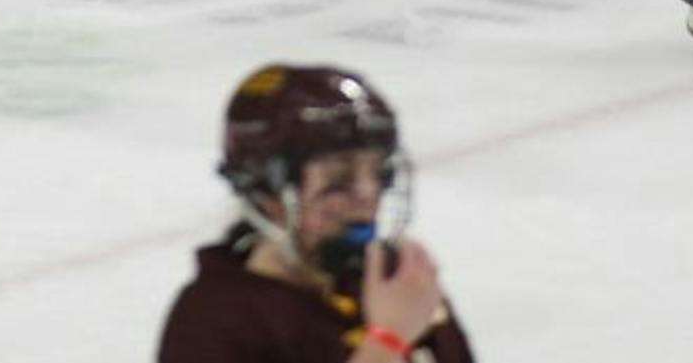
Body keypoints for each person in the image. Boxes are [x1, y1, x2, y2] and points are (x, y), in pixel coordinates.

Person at [159, 65, 475, 363]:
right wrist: (388, 342)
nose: (369, 196)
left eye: (380, 173)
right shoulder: (214, 321)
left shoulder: (399, 285)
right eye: (339, 180)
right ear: (269, 196)